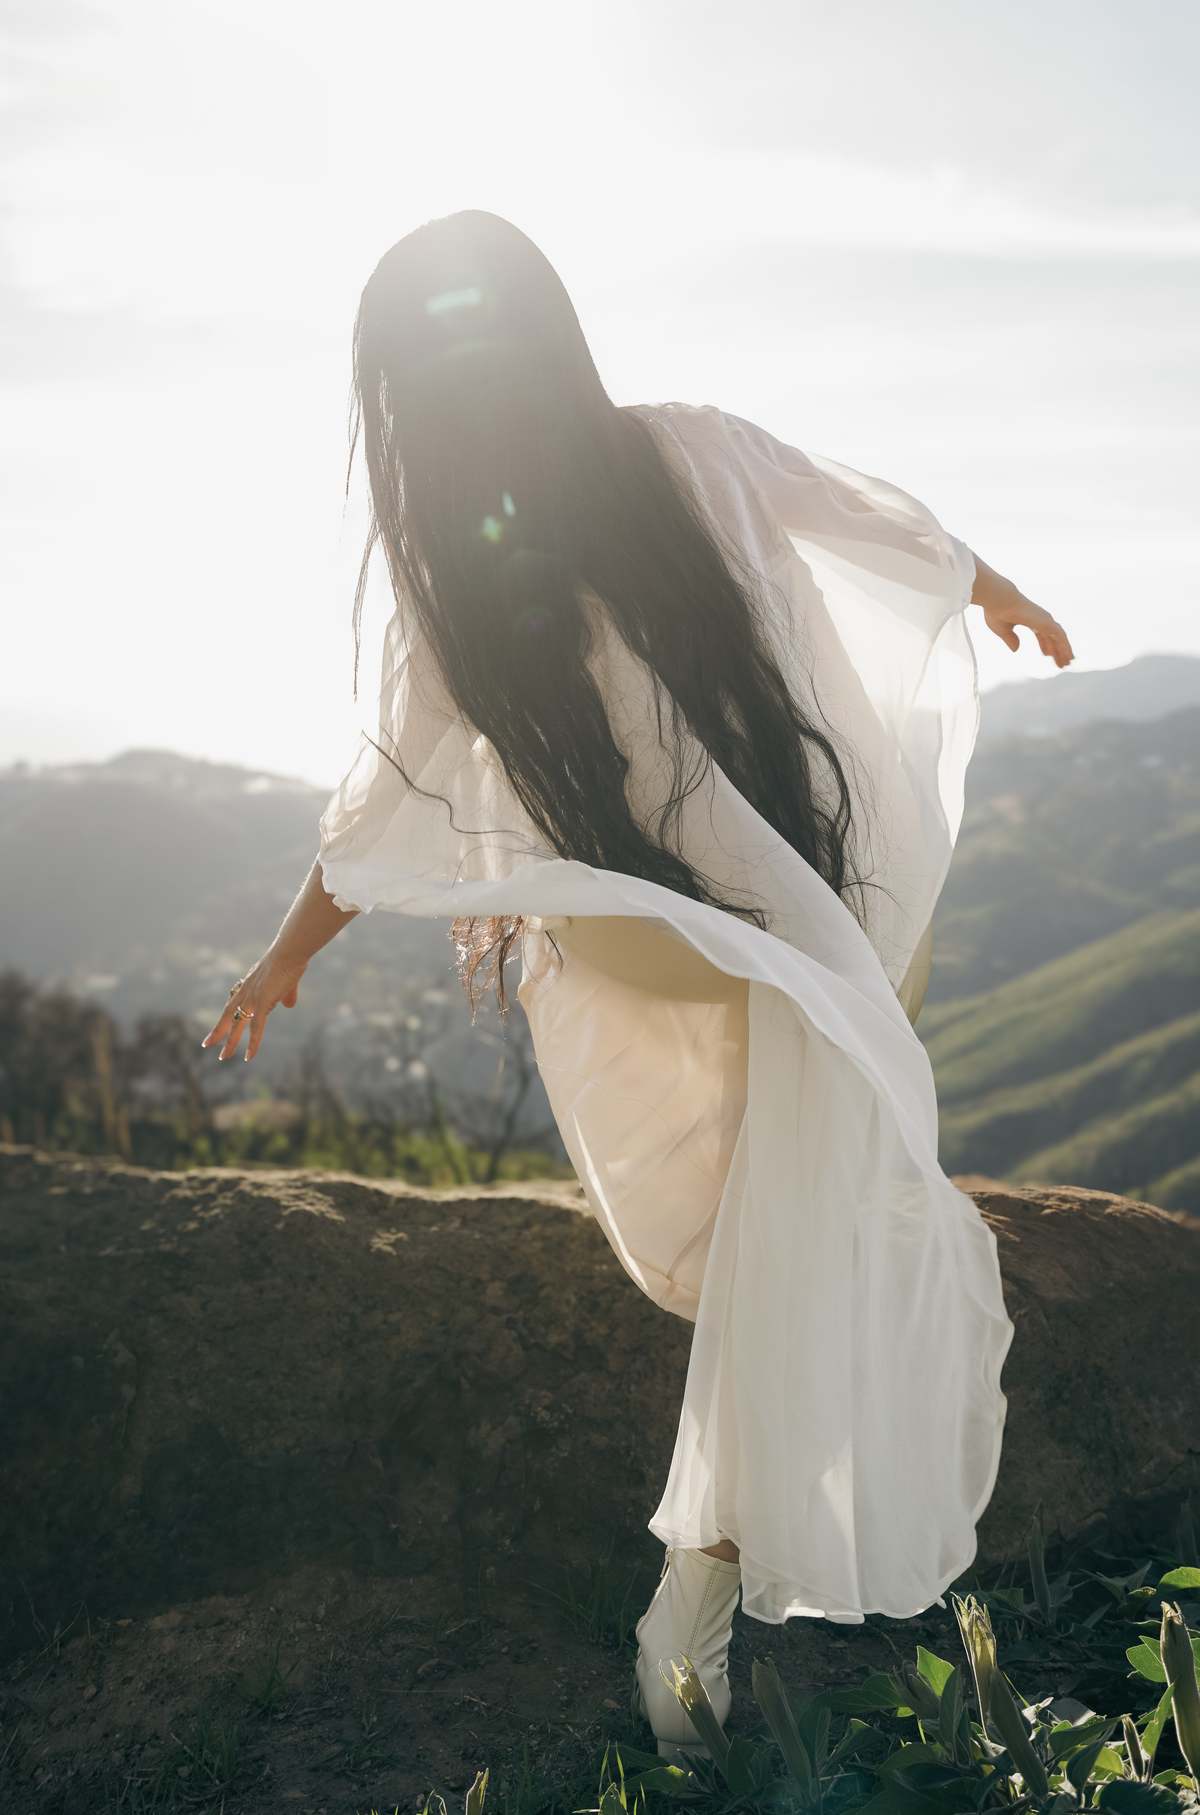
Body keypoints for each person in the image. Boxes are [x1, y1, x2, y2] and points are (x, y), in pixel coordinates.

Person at [201, 209, 1074, 1762]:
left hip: (688, 927)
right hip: (758, 920)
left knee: (786, 1209)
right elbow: (854, 513)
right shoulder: (651, 467)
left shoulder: (490, 560)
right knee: (820, 1161)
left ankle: (704, 1595)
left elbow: (383, 798)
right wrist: (984, 580)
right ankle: (702, 1595)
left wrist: (288, 951)